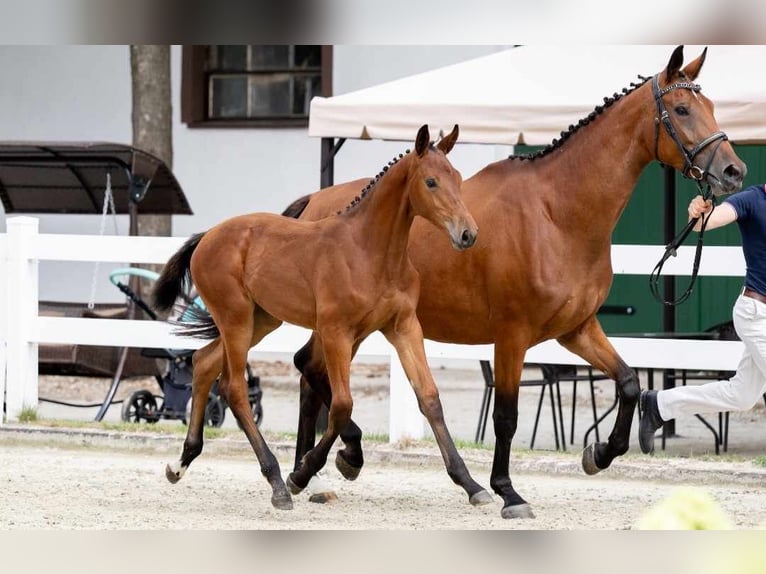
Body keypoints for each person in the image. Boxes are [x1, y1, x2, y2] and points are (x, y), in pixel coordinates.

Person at [639, 183, 766, 454]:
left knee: (742, 395)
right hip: (756, 314)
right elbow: (707, 221)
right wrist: (699, 212)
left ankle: (659, 404)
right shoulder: (752, 200)